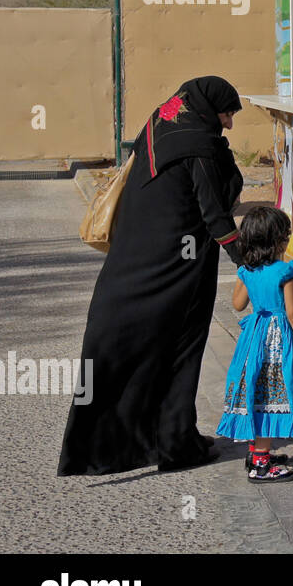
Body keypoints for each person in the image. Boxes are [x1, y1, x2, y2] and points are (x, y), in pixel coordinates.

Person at [58, 76, 246, 475]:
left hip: (133, 262)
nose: (229, 124)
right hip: (178, 270)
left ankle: (160, 441)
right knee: (180, 352)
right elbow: (215, 216)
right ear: (209, 109)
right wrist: (250, 261)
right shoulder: (201, 146)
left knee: (143, 350)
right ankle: (176, 445)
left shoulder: (162, 122)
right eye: (228, 114)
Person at [216, 206, 293, 482]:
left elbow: (238, 305)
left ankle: (256, 452)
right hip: (278, 341)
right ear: (279, 241)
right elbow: (292, 313)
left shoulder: (247, 271)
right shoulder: (284, 271)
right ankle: (262, 465)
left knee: (257, 391)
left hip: (254, 340)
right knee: (274, 394)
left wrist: (247, 279)